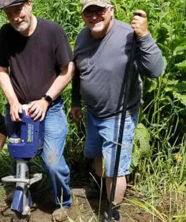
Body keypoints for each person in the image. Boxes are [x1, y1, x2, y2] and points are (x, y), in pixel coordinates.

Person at [71, 0, 164, 220]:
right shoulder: (82, 37)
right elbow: (77, 73)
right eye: (88, 12)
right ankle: (99, 188)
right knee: (96, 154)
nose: (94, 16)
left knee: (114, 167)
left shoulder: (128, 35)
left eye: (99, 10)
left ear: (111, 10)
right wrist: (76, 101)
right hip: (93, 111)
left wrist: (145, 36)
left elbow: (156, 70)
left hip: (120, 114)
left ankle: (113, 211)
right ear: (83, 15)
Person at [0, 0, 75, 221]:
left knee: (52, 160)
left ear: (29, 4)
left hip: (51, 108)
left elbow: (68, 70)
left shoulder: (52, 31)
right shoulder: (6, 34)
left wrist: (46, 99)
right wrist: (13, 101)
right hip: (19, 108)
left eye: (17, 10)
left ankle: (63, 201)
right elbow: (2, 70)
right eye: (9, 14)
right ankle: (21, 193)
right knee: (19, 154)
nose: (14, 18)